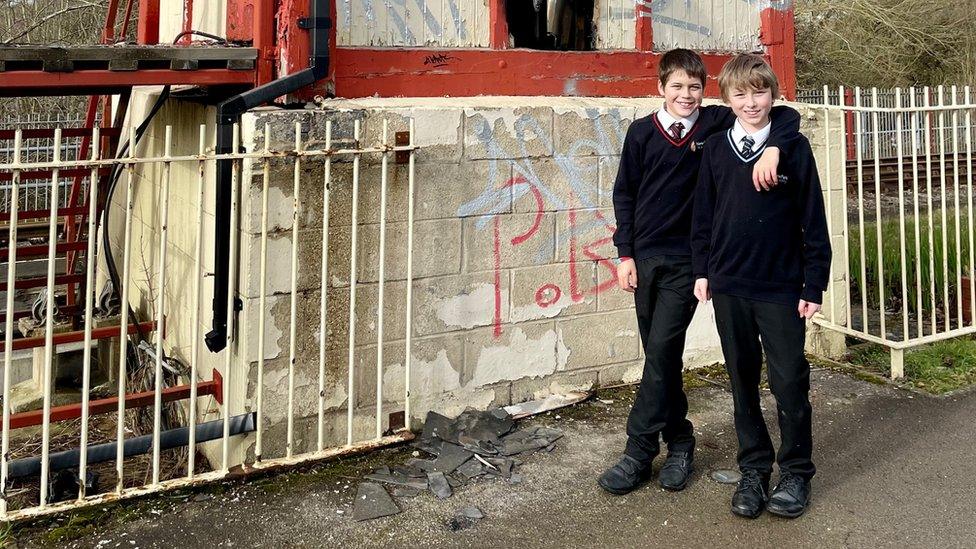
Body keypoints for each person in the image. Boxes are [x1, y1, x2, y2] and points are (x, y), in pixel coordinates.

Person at [600, 48, 801, 496]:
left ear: (704, 91)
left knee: (663, 349)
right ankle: (680, 442)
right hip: (646, 259)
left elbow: (782, 115)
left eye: (694, 87)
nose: (686, 95)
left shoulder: (715, 124)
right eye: (677, 87)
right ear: (660, 88)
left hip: (688, 261)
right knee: (660, 355)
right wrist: (625, 255)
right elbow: (624, 196)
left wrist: (773, 148)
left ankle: (637, 451)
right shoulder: (640, 134)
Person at [691, 53, 831, 519]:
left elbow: (813, 219)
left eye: (760, 91)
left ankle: (796, 472)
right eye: (741, 93)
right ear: (727, 98)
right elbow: (703, 218)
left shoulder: (793, 147)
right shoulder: (714, 148)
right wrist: (702, 271)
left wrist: (815, 282)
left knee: (790, 381)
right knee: (742, 382)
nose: (752, 102)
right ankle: (754, 468)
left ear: (772, 93)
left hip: (782, 288)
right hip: (730, 285)